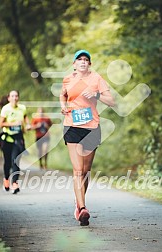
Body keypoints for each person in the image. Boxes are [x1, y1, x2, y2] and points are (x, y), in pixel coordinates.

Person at [60, 49, 115, 226]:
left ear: (89, 64)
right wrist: (63, 106)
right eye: (79, 59)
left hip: (91, 128)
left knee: (85, 171)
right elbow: (63, 94)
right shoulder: (68, 79)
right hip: (72, 126)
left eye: (86, 59)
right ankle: (82, 209)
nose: (83, 62)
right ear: (74, 64)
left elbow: (112, 101)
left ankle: (78, 201)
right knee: (77, 170)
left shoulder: (97, 79)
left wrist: (97, 95)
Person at [0, 90, 31, 194]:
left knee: (15, 160)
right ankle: (6, 179)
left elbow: (25, 117)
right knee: (7, 162)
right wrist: (13, 123)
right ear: (8, 98)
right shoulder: (5, 109)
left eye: (16, 96)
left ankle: (15, 183)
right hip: (7, 139)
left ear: (18, 97)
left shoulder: (22, 108)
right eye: (12, 96)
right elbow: (1, 124)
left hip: (18, 138)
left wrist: (27, 124)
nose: (15, 98)